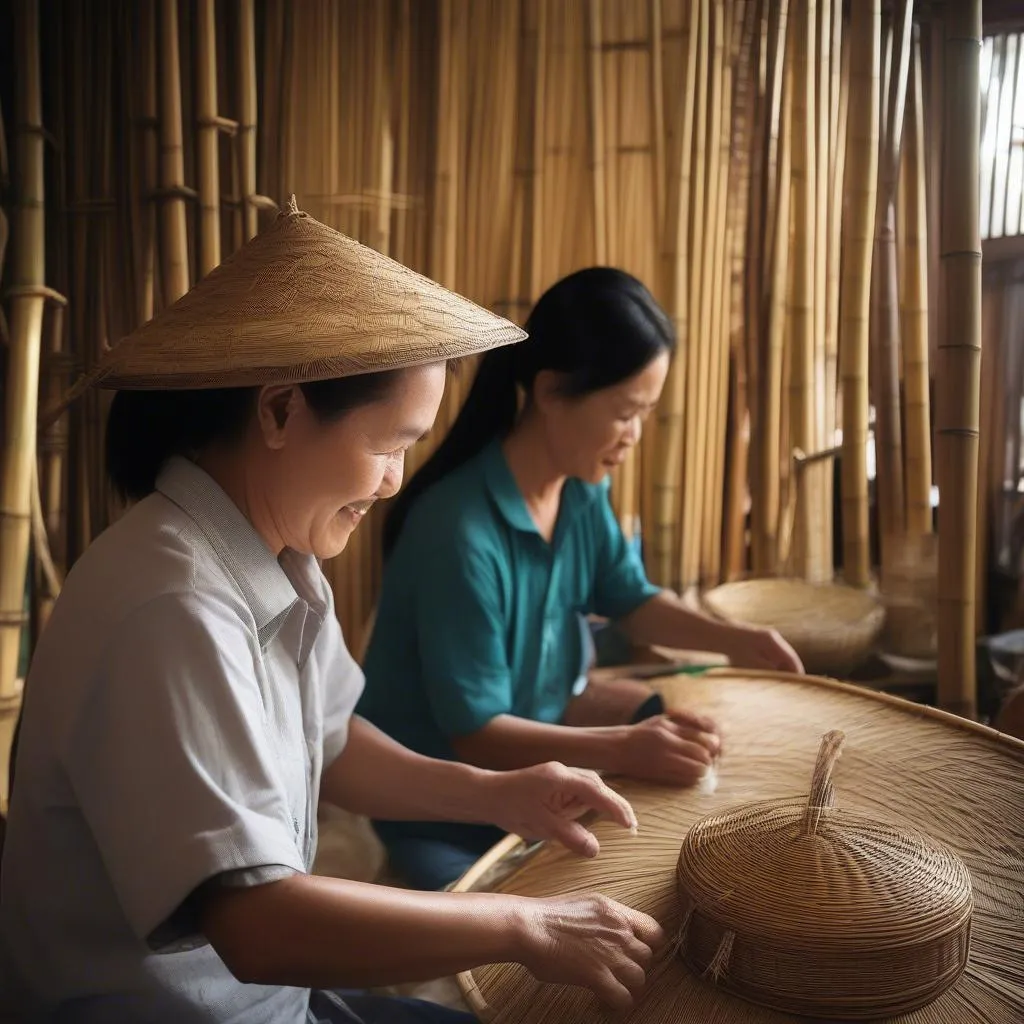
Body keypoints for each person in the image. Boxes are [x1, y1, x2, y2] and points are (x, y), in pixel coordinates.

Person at [0, 204, 665, 1024]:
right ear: (279, 412)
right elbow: (258, 926)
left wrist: (499, 796)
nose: (392, 483)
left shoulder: (279, 560)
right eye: (389, 446)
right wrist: (523, 925)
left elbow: (336, 741)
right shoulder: (170, 606)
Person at [358, 267, 804, 892]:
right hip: (448, 802)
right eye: (626, 413)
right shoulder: (456, 532)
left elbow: (630, 599)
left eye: (646, 414)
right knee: (495, 929)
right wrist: (622, 749)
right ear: (550, 391)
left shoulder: (581, 488)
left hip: (543, 749)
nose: (634, 437)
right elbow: (477, 735)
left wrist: (739, 640)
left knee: (681, 741)